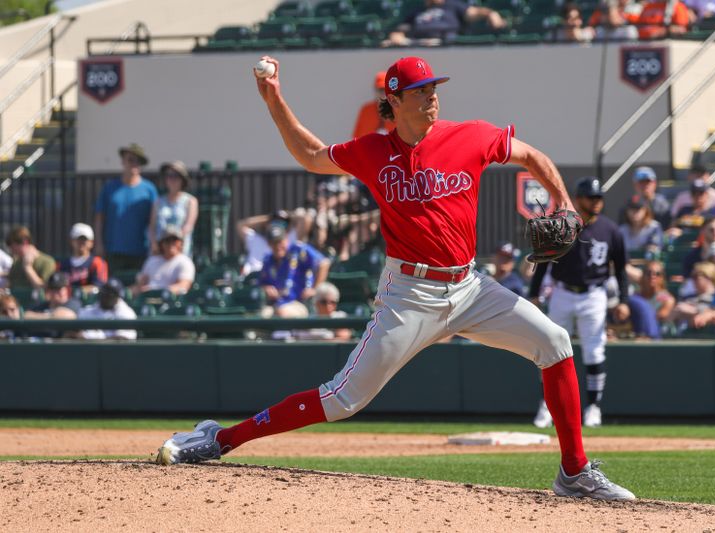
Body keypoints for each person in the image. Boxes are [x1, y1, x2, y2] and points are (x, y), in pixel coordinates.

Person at [156, 55, 635, 501]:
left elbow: (531, 155)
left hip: (469, 286)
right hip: (410, 293)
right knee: (343, 399)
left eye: (434, 89)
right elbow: (311, 154)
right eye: (421, 90)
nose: (432, 97)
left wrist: (565, 204)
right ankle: (220, 437)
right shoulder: (372, 151)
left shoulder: (469, 135)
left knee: (554, 341)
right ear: (396, 99)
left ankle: (574, 471)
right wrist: (274, 99)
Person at [530, 177, 630, 430]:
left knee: (594, 351)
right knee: (549, 349)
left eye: (599, 197)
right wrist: (534, 293)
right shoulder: (564, 225)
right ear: (579, 199)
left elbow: (620, 270)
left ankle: (594, 407)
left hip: (594, 294)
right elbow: (543, 261)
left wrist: (623, 299)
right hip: (562, 292)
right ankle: (546, 405)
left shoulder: (611, 230)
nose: (596, 202)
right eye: (591, 197)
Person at [94, 143, 158, 274]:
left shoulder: (149, 189)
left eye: (138, 161)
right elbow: (99, 217)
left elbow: (154, 221)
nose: (133, 164)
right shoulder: (110, 188)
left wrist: (154, 244)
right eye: (130, 159)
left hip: (140, 250)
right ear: (123, 161)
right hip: (114, 249)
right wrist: (99, 243)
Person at [258, 224, 331, 318]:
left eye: (280, 241)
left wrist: (315, 289)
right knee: (259, 318)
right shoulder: (268, 260)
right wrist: (266, 288)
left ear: (286, 239)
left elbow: (324, 263)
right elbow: (261, 283)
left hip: (299, 304)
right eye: (274, 243)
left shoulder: (298, 250)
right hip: (276, 304)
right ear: (269, 244)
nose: (278, 246)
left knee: (282, 313)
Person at [385, 0, 507, 47]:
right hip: (419, 45)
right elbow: (399, 32)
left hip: (447, 43)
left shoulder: (453, 5)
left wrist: (491, 14)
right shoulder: (416, 13)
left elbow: (474, 13)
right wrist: (399, 39)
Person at [148, 161, 198, 257]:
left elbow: (188, 226)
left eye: (176, 176)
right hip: (159, 252)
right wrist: (155, 244)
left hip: (180, 251)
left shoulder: (191, 201)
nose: (172, 179)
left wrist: (173, 245)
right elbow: (152, 227)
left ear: (182, 180)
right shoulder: (158, 202)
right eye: (169, 175)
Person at [133, 226, 195, 296]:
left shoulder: (185, 262)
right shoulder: (152, 260)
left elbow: (183, 286)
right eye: (167, 240)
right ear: (161, 243)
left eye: (174, 240)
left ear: (181, 243)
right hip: (147, 300)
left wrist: (156, 292)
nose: (171, 243)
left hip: (170, 303)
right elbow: (141, 283)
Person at [668, 261, 715, 328]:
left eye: (696, 277)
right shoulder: (688, 297)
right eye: (692, 277)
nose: (693, 280)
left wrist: (693, 311)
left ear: (709, 277)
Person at [57, 223, 108, 291]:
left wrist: (78, 291)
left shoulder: (97, 263)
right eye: (78, 239)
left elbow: (99, 287)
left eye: (84, 240)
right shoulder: (62, 265)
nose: (81, 242)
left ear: (91, 242)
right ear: (71, 241)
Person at [352, 71, 396, 138]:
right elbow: (356, 137)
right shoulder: (366, 110)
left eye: (385, 89)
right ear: (375, 90)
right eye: (380, 90)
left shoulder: (398, 110)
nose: (383, 93)